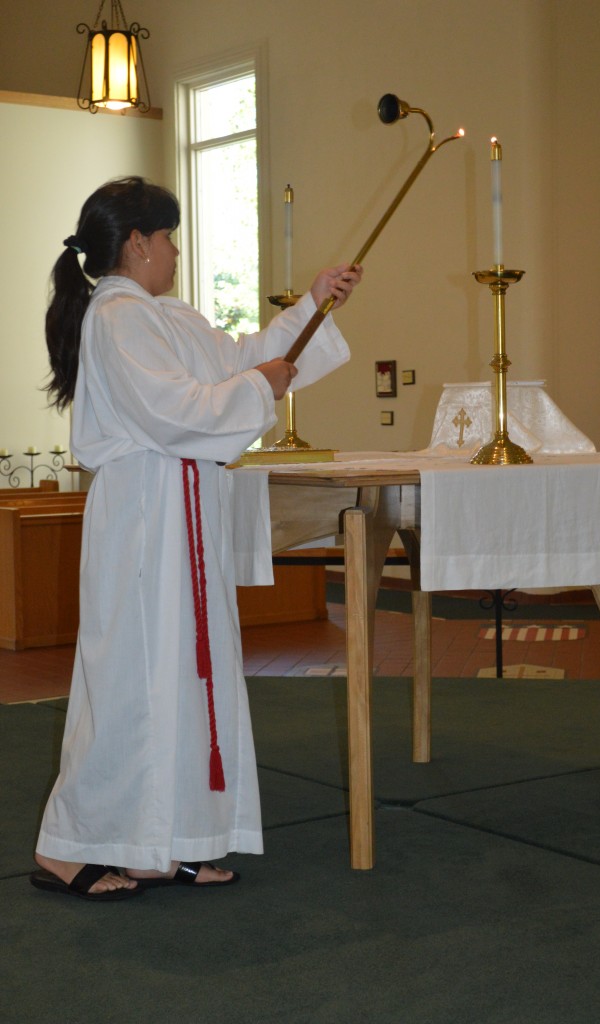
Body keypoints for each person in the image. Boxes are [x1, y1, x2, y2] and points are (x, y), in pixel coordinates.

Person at [31, 175, 362, 900]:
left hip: (179, 517)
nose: (177, 252)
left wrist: (312, 305)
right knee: (129, 686)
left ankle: (161, 841)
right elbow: (174, 410)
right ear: (138, 243)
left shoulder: (163, 316)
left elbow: (236, 359)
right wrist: (261, 388)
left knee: (184, 679)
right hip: (144, 521)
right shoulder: (116, 318)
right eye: (169, 238)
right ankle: (71, 847)